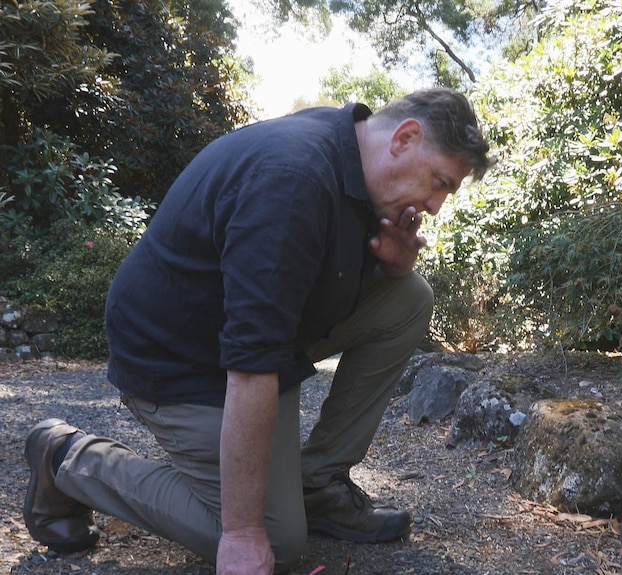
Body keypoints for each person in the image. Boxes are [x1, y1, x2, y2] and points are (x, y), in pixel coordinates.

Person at [23, 88, 494, 574]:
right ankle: (67, 459)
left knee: (408, 297)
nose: (436, 205)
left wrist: (396, 262)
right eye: (438, 182)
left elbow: (301, 298)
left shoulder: (354, 158)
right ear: (405, 138)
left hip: (248, 340)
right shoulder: (294, 179)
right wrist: (243, 533)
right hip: (178, 357)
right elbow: (251, 361)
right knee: (274, 540)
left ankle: (318, 484)